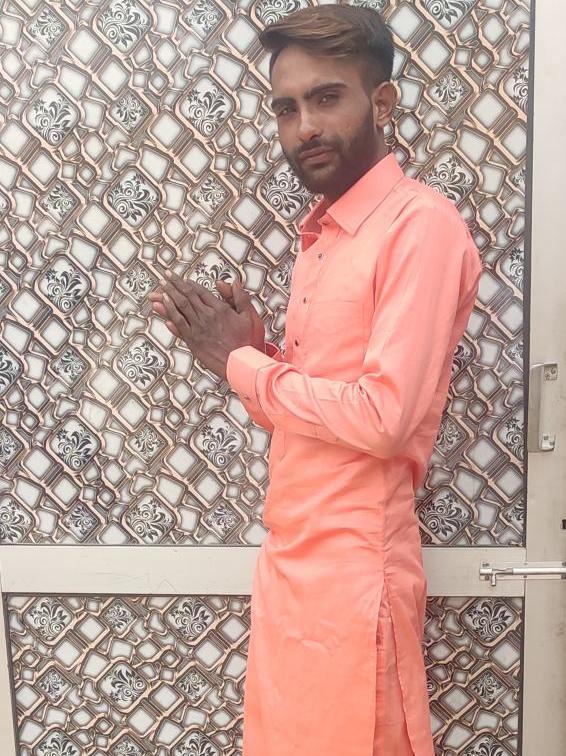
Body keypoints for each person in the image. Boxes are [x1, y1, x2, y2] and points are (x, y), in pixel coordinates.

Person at [150, 5, 482, 755]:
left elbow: (383, 419)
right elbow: (311, 417)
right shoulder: (321, 236)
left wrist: (240, 364)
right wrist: (258, 354)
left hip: (357, 583)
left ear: (383, 103)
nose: (305, 127)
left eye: (327, 98)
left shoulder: (418, 227)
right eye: (286, 108)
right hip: (291, 570)